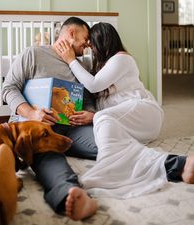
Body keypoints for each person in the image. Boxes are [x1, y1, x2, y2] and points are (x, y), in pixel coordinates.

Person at [56, 22, 194, 199]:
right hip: (129, 125)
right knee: (119, 148)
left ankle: (104, 171)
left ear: (103, 42)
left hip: (144, 113)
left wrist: (70, 60)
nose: (90, 48)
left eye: (92, 44)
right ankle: (177, 165)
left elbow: (93, 85)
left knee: (102, 118)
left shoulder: (121, 58)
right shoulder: (100, 66)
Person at [2, 17, 98, 221]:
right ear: (72, 33)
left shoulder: (80, 65)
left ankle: (169, 164)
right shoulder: (33, 53)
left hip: (72, 128)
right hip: (38, 127)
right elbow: (9, 88)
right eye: (86, 37)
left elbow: (89, 98)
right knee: (46, 155)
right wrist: (31, 113)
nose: (88, 44)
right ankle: (68, 193)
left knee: (109, 142)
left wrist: (89, 114)